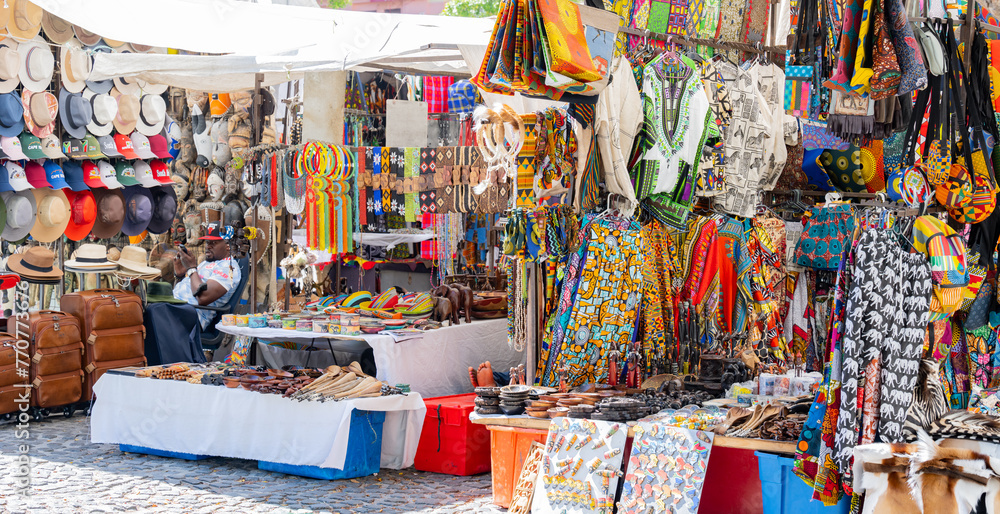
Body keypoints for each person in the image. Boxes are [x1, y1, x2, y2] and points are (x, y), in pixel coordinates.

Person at [172, 222, 242, 329]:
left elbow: (203, 298)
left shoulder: (229, 267)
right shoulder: (206, 263)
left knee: (153, 314)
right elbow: (185, 290)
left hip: (192, 317)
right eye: (207, 242)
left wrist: (191, 268)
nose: (208, 246)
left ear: (228, 245)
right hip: (177, 308)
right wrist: (180, 276)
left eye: (213, 242)